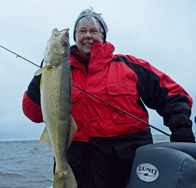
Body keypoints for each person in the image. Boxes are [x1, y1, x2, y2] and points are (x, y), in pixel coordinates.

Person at [22, 8, 195, 188]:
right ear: (75, 38)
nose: (87, 35)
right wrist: (41, 78)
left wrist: (181, 126)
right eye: (82, 31)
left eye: (93, 31)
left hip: (127, 171)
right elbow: (32, 113)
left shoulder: (129, 65)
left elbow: (174, 94)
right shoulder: (59, 74)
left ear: (103, 36)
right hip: (79, 171)